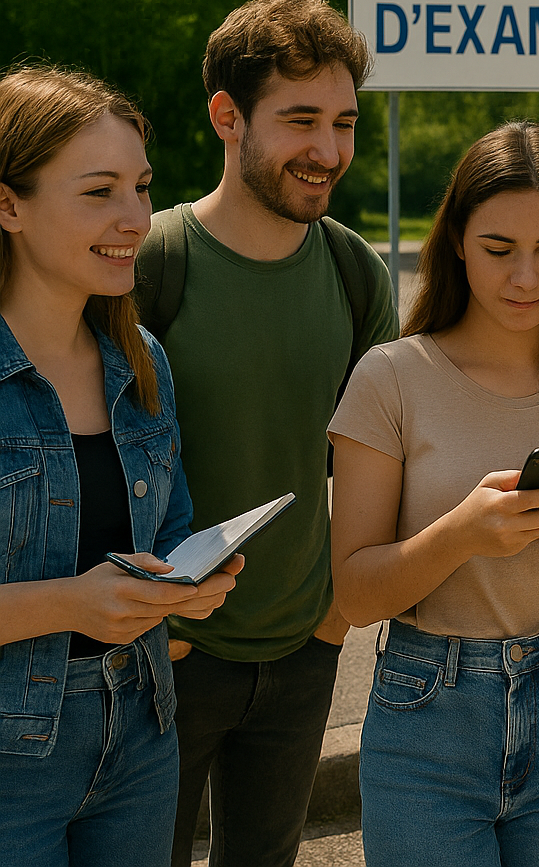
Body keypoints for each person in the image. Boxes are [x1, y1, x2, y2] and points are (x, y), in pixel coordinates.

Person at [327, 120, 539, 866]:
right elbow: (355, 597)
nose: (527, 278)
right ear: (454, 240)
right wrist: (462, 534)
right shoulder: (390, 377)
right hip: (425, 719)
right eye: (499, 250)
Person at [131, 0, 399, 867]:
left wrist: (330, 617)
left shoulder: (357, 274)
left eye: (345, 123)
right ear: (228, 117)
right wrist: (152, 626)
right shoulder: (147, 264)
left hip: (303, 651)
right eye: (300, 121)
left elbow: (378, 470)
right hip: (161, 660)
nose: (328, 152)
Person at [0, 66, 242, 865]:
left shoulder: (141, 362)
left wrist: (185, 584)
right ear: (8, 205)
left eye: (142, 187)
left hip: (141, 736)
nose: (136, 218)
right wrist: (71, 604)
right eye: (100, 191)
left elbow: (167, 533)